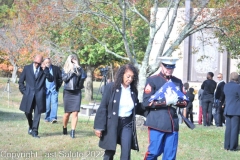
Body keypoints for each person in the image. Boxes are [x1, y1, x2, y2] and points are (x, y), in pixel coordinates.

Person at [142, 57, 187, 160]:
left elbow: (185, 101)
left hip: (172, 123)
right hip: (157, 121)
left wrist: (176, 102)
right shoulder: (152, 80)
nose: (169, 70)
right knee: (153, 152)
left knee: (170, 156)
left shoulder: (177, 82)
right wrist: (164, 102)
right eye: (167, 67)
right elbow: (146, 102)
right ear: (161, 66)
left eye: (171, 68)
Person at [94, 64, 140, 160]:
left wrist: (152, 106)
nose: (130, 79)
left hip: (127, 124)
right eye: (128, 76)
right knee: (110, 152)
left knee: (126, 152)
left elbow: (137, 106)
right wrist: (99, 127)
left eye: (132, 77)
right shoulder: (111, 87)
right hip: (112, 123)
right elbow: (103, 107)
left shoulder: (133, 91)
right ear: (122, 75)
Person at [18, 54, 54, 138]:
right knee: (27, 112)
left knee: (37, 114)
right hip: (28, 95)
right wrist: (25, 92)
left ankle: (35, 132)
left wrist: (45, 70)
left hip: (39, 96)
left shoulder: (44, 70)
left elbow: (51, 79)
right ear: (33, 60)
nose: (37, 64)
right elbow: (20, 82)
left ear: (41, 62)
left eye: (39, 63)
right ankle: (31, 125)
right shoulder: (27, 68)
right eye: (35, 62)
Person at [62, 54, 85, 138]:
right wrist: (71, 71)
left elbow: (84, 76)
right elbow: (65, 79)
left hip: (77, 92)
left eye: (75, 59)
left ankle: (72, 131)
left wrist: (78, 67)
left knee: (75, 112)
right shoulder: (65, 69)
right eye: (72, 60)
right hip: (68, 92)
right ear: (69, 61)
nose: (73, 61)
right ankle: (64, 127)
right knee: (67, 114)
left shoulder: (79, 69)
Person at [223, 72, 240, 151]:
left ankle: (227, 145)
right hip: (236, 110)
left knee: (228, 128)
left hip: (228, 109)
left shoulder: (226, 86)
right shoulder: (238, 87)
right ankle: (233, 146)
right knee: (235, 129)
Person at [43, 58, 63, 123]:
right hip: (46, 90)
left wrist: (58, 86)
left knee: (54, 103)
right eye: (46, 63)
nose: (47, 64)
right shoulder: (43, 69)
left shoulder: (56, 68)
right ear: (44, 63)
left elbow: (60, 78)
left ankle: (53, 118)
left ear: (50, 62)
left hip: (54, 89)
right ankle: (47, 117)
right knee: (47, 105)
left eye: (48, 62)